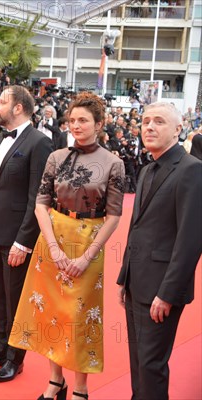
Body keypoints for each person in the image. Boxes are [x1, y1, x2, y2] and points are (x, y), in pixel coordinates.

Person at [8, 92, 126, 400]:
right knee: (52, 314)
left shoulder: (114, 163)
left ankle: (81, 389)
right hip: (52, 238)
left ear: (99, 124)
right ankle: (55, 381)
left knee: (80, 317)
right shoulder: (56, 157)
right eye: (72, 120)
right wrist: (53, 247)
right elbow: (40, 204)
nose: (76, 125)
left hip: (89, 241)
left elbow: (114, 216)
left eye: (83, 120)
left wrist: (87, 257)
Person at [117, 102, 201, 400]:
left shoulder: (192, 171)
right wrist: (124, 276)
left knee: (151, 365)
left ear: (179, 129)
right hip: (136, 281)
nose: (149, 127)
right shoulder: (147, 168)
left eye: (159, 122)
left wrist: (167, 292)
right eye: (145, 121)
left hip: (161, 288)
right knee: (138, 362)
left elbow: (190, 240)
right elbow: (137, 227)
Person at [0, 85, 53, 382]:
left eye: (2, 102)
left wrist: (24, 241)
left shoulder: (40, 143)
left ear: (18, 107)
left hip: (17, 238)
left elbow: (38, 198)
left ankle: (15, 358)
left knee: (16, 299)